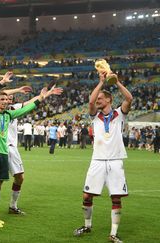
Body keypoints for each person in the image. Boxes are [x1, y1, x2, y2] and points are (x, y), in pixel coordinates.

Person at [0, 72, 56, 228]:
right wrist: (2, 82)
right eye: (0, 99)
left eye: (5, 100)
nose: (4, 102)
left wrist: (42, 97)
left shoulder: (9, 114)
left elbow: (26, 109)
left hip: (3, 152)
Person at [73, 71, 133, 243]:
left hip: (115, 160)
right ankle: (87, 225)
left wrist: (117, 83)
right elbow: (90, 101)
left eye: (101, 98)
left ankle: (113, 234)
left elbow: (129, 99)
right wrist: (100, 82)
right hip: (97, 160)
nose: (97, 100)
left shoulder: (119, 114)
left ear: (109, 100)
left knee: (116, 197)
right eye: (97, 97)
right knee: (86, 196)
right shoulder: (95, 116)